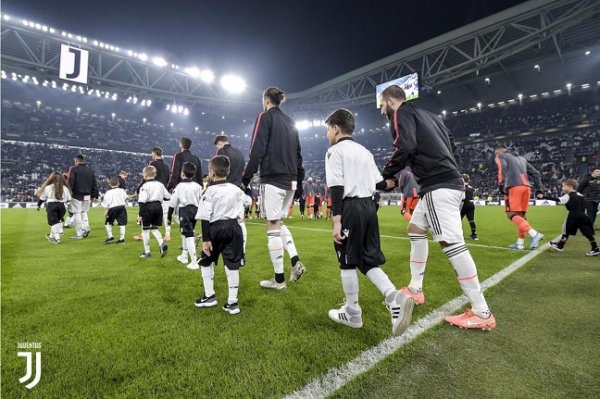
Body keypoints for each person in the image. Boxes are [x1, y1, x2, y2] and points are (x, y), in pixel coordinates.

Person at [379, 84, 495, 330]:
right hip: (445, 181)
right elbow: (452, 145)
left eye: (381, 105)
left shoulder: (401, 113)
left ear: (390, 101)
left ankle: (482, 311)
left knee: (452, 243)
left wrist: (387, 174)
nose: (381, 111)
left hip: (438, 185)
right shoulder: (431, 116)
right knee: (415, 229)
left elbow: (405, 145)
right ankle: (415, 288)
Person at [324, 109, 413, 336]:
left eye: (328, 129)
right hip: (369, 209)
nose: (327, 134)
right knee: (365, 258)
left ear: (335, 128)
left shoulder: (335, 151)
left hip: (351, 208)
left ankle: (353, 312)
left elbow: (336, 187)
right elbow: (380, 184)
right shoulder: (364, 151)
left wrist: (336, 221)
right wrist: (394, 181)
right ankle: (393, 297)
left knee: (346, 259)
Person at [242, 87, 306, 289]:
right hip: (291, 180)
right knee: (278, 222)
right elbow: (298, 156)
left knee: (272, 227)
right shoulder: (290, 122)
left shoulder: (265, 117)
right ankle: (295, 260)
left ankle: (279, 281)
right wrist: (300, 182)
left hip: (273, 178)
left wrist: (246, 176)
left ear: (266, 100)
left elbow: (257, 148)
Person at [195, 156, 252, 314]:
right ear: (228, 172)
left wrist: (206, 239)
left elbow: (205, 216)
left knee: (206, 261)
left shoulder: (209, 191)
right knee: (232, 264)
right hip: (235, 228)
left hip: (216, 228)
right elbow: (248, 201)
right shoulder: (235, 189)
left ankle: (209, 296)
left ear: (212, 173)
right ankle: (232, 302)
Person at [495, 145, 544, 250]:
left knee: (511, 214)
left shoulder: (501, 156)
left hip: (513, 187)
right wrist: (539, 189)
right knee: (521, 217)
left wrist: (501, 185)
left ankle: (534, 234)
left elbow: (501, 169)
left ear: (499, 152)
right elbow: (536, 173)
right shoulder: (522, 159)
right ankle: (520, 243)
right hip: (526, 187)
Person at [538, 179, 599, 256]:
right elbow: (585, 205)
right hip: (583, 215)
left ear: (570, 187)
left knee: (566, 230)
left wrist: (543, 196)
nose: (562, 187)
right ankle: (595, 247)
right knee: (587, 232)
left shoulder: (568, 195)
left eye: (564, 186)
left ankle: (560, 245)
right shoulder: (580, 195)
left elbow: (557, 199)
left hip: (573, 214)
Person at [215, 135, 248, 261]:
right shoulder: (239, 153)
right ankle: (242, 251)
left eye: (216, 146)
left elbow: (218, 170)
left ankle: (222, 250)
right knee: (240, 221)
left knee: (222, 222)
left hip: (225, 190)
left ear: (219, 143)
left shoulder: (221, 151)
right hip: (238, 190)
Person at [167, 162, 203, 270]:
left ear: (182, 173)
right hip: (195, 210)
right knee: (185, 233)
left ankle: (194, 261)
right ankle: (184, 256)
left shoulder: (180, 186)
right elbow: (202, 199)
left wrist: (168, 216)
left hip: (185, 210)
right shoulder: (198, 186)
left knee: (188, 235)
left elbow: (173, 202)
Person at [134, 147, 172, 241]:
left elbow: (145, 178)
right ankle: (167, 235)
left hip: (152, 193)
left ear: (154, 154)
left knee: (144, 213)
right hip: (163, 192)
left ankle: (143, 235)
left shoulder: (152, 164)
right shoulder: (166, 166)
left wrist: (139, 189)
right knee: (166, 214)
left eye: (152, 154)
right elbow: (168, 179)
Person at [138, 165, 170, 258]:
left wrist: (140, 215)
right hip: (158, 207)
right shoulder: (160, 184)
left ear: (145, 175)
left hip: (148, 207)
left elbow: (142, 201)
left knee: (145, 230)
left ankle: (147, 252)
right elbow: (168, 197)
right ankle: (161, 243)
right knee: (154, 228)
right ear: (155, 174)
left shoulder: (145, 186)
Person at [67, 154, 99, 239]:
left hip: (76, 195)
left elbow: (70, 182)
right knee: (84, 212)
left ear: (76, 161)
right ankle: (86, 227)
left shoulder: (73, 169)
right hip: (87, 196)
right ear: (84, 161)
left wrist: (69, 193)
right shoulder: (90, 170)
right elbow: (94, 184)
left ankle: (79, 232)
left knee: (77, 212)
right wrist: (95, 195)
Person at [37, 172, 71, 244]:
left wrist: (38, 205)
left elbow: (42, 198)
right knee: (56, 222)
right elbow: (69, 199)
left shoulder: (48, 187)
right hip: (62, 206)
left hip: (52, 206)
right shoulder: (65, 188)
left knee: (54, 222)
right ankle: (51, 236)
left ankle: (57, 238)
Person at [102, 177, 128, 244]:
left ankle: (110, 237)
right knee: (122, 224)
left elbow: (106, 204)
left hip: (112, 208)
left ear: (110, 184)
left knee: (107, 223)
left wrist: (105, 213)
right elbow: (126, 198)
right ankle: (122, 239)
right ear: (118, 183)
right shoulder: (122, 190)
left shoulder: (108, 192)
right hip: (121, 208)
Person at [461, 174, 478, 240]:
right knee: (471, 220)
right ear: (469, 180)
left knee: (458, 220)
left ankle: (457, 235)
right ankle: (474, 235)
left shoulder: (461, 187)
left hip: (463, 205)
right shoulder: (471, 188)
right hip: (471, 205)